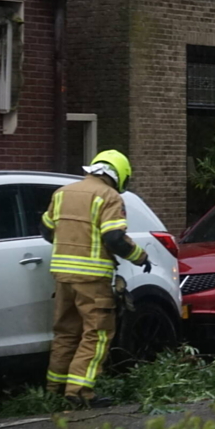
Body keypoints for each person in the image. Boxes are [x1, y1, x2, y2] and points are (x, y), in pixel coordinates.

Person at [40, 150, 151, 408]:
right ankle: (79, 392)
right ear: (119, 175)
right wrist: (140, 256)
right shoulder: (108, 196)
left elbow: (46, 230)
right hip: (92, 279)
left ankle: (53, 390)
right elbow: (114, 238)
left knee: (66, 332)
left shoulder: (62, 193)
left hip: (63, 276)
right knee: (97, 334)